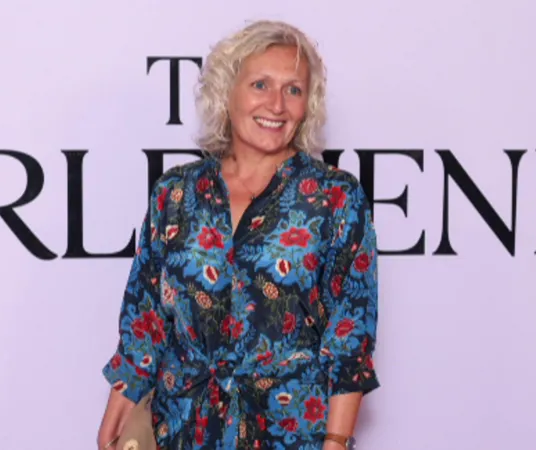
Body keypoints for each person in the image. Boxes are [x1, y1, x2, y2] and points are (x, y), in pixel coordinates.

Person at [98, 20, 379, 450]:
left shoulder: (335, 198)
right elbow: (145, 317)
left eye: (293, 90)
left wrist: (337, 441)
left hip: (289, 433)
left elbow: (349, 334)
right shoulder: (176, 192)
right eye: (260, 84)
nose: (277, 105)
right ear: (227, 91)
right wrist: (117, 413)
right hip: (181, 428)